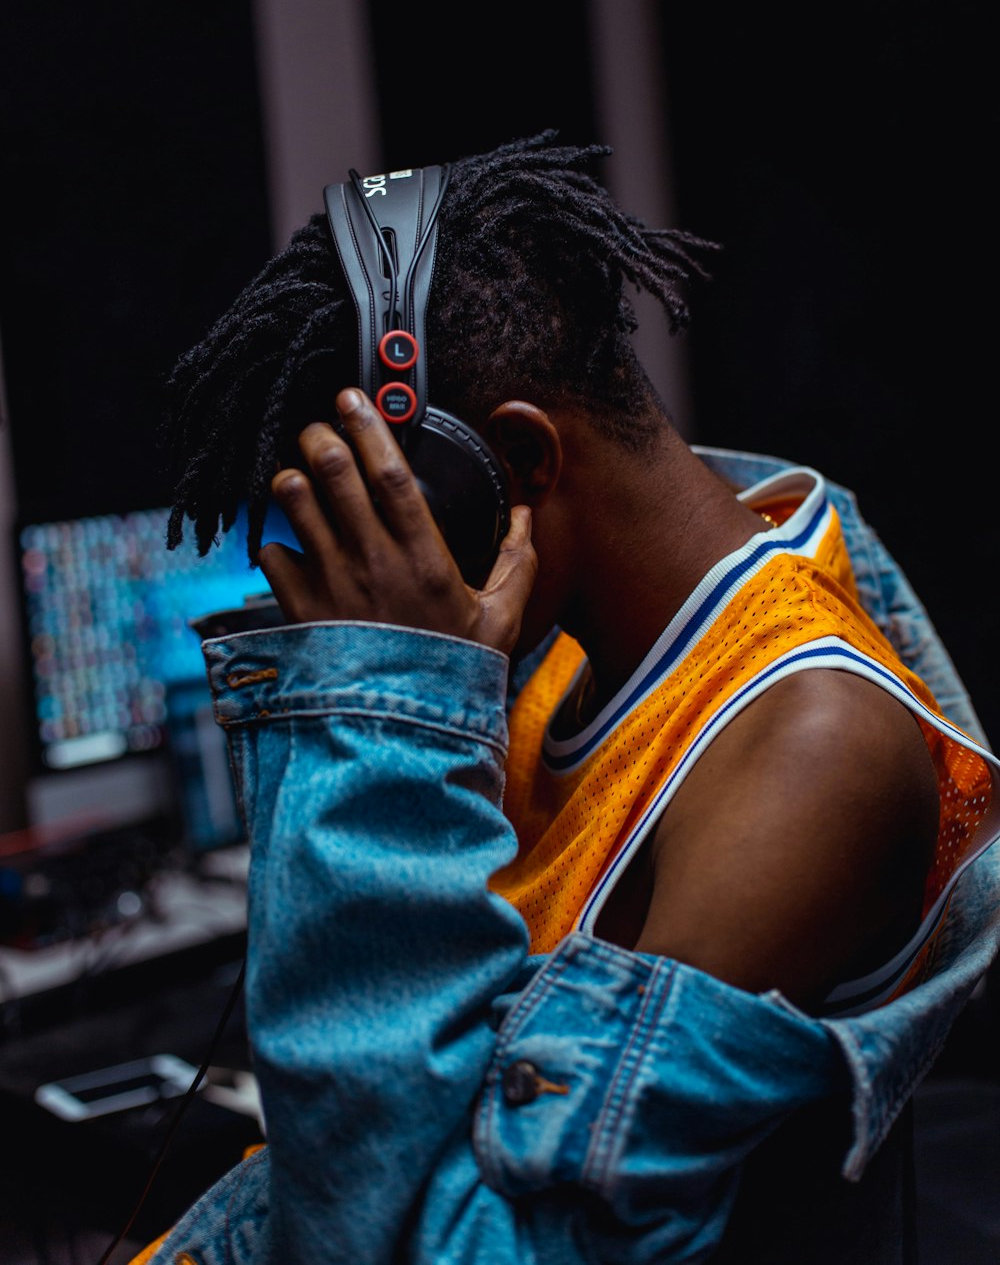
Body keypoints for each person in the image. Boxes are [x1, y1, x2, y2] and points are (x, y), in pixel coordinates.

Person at [137, 132, 1000, 1263]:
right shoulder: (555, 652)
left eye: (379, 515)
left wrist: (378, 708)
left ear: (507, 468)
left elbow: (464, 1246)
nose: (348, 565)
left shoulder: (806, 749)